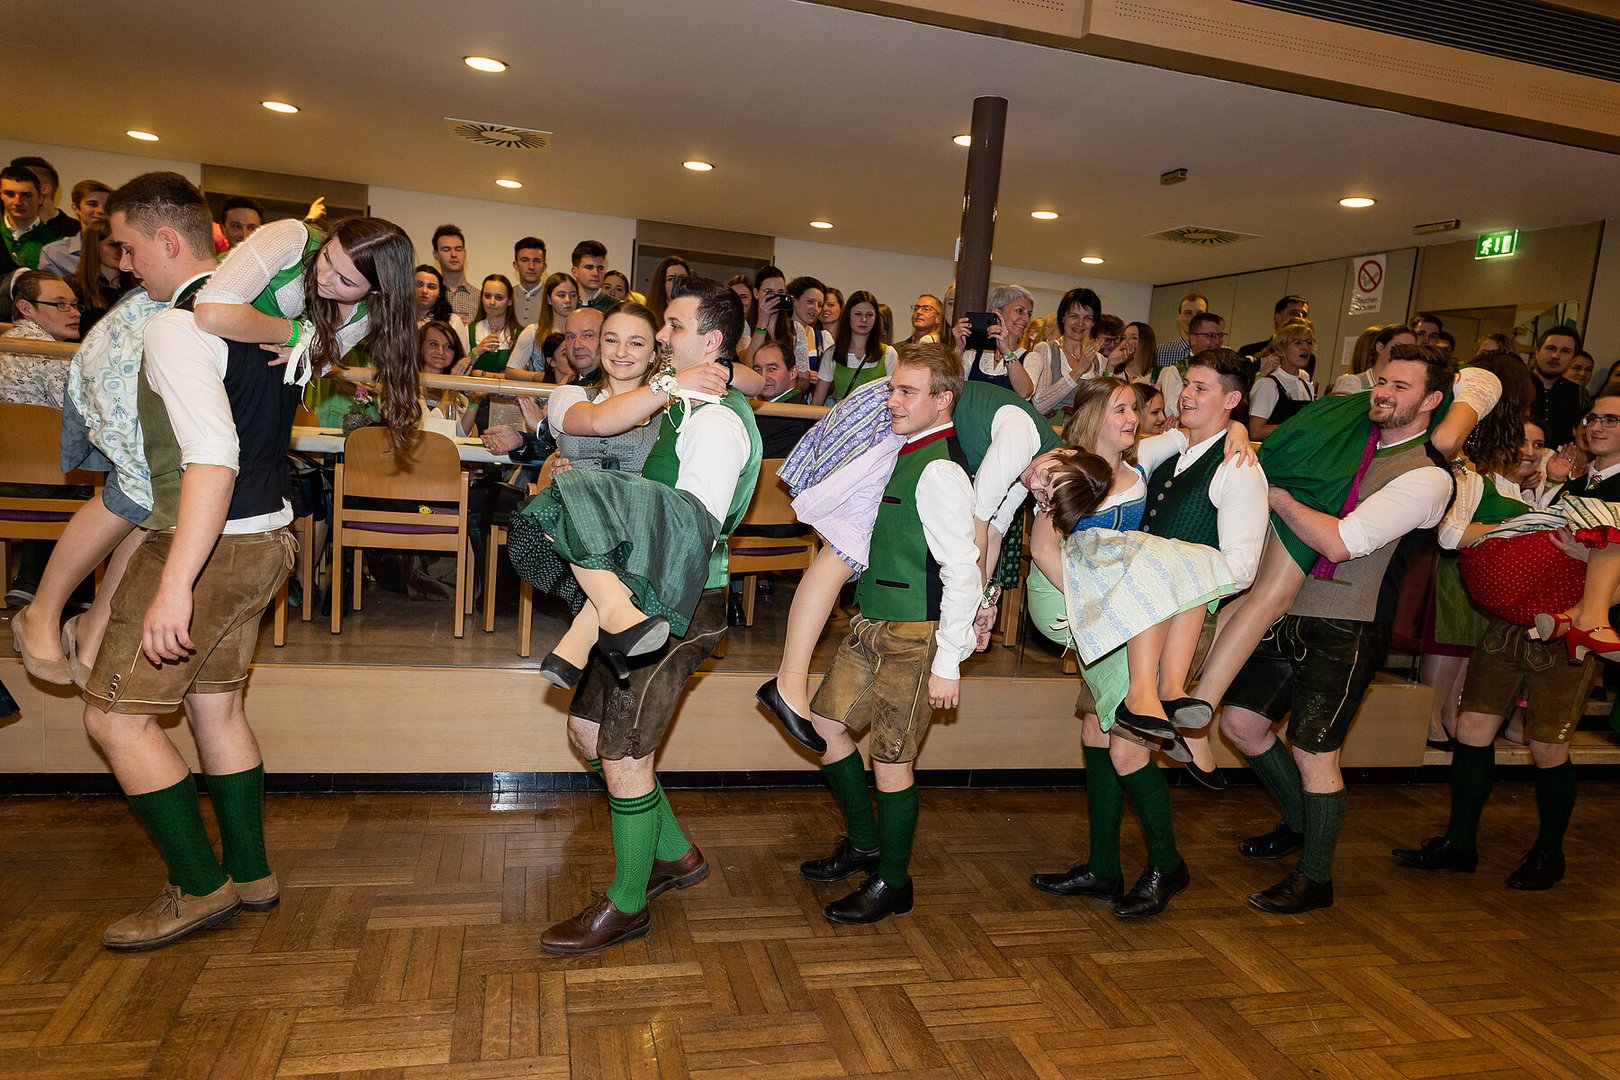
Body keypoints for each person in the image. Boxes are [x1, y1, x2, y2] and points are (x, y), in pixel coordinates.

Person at [74, 171, 305, 951]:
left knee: (114, 719)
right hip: (269, 538)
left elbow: (212, 457)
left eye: (128, 247)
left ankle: (200, 887)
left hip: (206, 546)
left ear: (168, 240)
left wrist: (175, 583)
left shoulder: (176, 327)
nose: (124, 264)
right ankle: (251, 874)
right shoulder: (271, 320)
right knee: (216, 709)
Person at [516, 281, 759, 956]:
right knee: (588, 732)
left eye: (672, 326)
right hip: (639, 593)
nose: (662, 338)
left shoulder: (714, 423)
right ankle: (675, 854)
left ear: (711, 341)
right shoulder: (682, 405)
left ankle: (626, 905)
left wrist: (597, 502)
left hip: (678, 602)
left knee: (623, 752)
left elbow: (690, 531)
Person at [1220, 347, 1456, 914]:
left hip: (1349, 625)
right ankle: (1301, 823)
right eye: (1382, 381)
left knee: (1314, 751)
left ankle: (1315, 878)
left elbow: (1341, 541)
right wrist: (1238, 429)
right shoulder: (1348, 439)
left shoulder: (1427, 476)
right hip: (1284, 608)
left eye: (1402, 387)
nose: (1385, 394)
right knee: (1240, 724)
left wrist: (1277, 495)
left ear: (1432, 400)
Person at [1031, 350, 1266, 918]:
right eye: (1188, 384)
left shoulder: (1230, 467)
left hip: (1163, 615)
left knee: (1126, 749)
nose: (1185, 395)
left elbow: (1240, 569)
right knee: (1096, 735)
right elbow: (1045, 532)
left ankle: (1166, 865)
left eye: (1202, 388)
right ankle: (1103, 868)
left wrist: (1237, 431)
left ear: (1232, 399)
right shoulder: (1158, 454)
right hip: (1110, 613)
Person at [758, 364, 1058, 750]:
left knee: (842, 553)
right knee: (843, 552)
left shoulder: (1031, 467)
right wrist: (973, 610)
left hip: (909, 423)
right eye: (1049, 479)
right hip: (897, 419)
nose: (1038, 486)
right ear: (1068, 453)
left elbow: (995, 533)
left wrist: (984, 600)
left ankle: (789, 682)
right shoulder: (1021, 436)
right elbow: (979, 525)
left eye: (1044, 498)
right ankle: (789, 682)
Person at [1392, 393, 1620, 892]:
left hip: (1569, 633)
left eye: (1612, 419)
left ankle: (1548, 853)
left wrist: (1590, 562)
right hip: (1512, 623)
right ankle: (1460, 843)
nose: (1598, 426)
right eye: (1593, 417)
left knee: (1547, 747)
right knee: (1472, 728)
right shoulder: (1574, 484)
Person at [796, 344, 978, 924]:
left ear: (942, 400)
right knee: (826, 723)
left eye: (906, 392)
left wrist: (948, 662)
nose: (892, 401)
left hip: (914, 635)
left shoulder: (941, 470)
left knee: (892, 760)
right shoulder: (902, 451)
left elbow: (963, 570)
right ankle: (865, 842)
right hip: (871, 623)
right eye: (893, 389)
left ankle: (893, 882)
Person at [488, 304, 668, 589]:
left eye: (635, 343)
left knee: (607, 605)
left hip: (639, 529)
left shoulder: (669, 411)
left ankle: (618, 613)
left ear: (654, 354)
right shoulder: (569, 396)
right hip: (573, 525)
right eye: (611, 340)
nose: (621, 352)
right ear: (601, 347)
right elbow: (597, 422)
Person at [0, 270, 80, 409]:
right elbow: (77, 413)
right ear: (26, 308)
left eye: (74, 305)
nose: (76, 313)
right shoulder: (49, 351)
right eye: (60, 305)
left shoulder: (8, 339)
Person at [1024, 287, 1102, 418]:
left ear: (1093, 322)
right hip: (1053, 428)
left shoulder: (1098, 359)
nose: (1080, 323)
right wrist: (1077, 371)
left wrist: (1111, 367)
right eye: (1074, 316)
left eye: (1087, 318)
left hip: (1086, 429)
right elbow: (1039, 405)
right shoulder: (1046, 349)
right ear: (1063, 317)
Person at [950, 283, 1036, 398]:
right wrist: (959, 348)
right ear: (997, 313)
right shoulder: (973, 354)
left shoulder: (1031, 358)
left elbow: (1025, 392)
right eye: (1019, 310)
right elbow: (949, 386)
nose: (1026, 319)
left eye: (1029, 314)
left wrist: (1007, 352)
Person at [812, 289, 896, 405]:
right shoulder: (832, 354)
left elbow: (896, 396)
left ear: (876, 318)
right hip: (842, 416)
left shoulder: (888, 353)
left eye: (869, 315)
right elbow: (817, 401)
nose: (864, 319)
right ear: (848, 316)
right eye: (858, 314)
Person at [1247, 318, 1316, 440]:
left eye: (1309, 343)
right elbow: (1255, 431)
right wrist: (1295, 427)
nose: (1305, 347)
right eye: (1298, 343)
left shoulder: (1307, 386)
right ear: (1282, 350)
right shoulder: (1268, 385)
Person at [464, 273, 538, 376]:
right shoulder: (469, 330)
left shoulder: (521, 335)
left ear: (510, 301)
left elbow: (521, 377)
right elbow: (460, 371)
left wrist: (482, 374)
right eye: (487, 296)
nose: (492, 302)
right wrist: (477, 351)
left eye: (499, 298)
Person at [65, 220, 132, 334]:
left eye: (124, 245)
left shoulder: (139, 288)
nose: (121, 250)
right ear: (94, 247)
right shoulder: (71, 287)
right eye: (113, 244)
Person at [750, 339, 813, 457]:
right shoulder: (792, 408)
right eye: (758, 370)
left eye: (772, 369)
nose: (763, 377)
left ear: (793, 372)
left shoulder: (793, 418)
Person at [1157, 311, 1226, 417]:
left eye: (1220, 336)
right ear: (1193, 339)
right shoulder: (1176, 371)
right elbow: (1173, 412)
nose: (1217, 342)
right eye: (1211, 336)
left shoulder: (1226, 369)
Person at [39, 180, 113, 275]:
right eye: (92, 204)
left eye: (107, 206)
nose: (101, 210)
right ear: (75, 208)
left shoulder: (124, 250)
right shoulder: (54, 254)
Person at [1528, 327, 1585, 448]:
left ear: (1573, 359)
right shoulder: (1516, 385)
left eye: (1565, 351)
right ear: (1537, 352)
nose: (1556, 355)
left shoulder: (1577, 393)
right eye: (1550, 348)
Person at [1, 163, 65, 269]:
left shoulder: (57, 242)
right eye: (10, 194)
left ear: (40, 198)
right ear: (1, 195)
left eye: (26, 195)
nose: (17, 202)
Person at [1332, 324, 1416, 394]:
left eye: (1410, 349)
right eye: (1398, 347)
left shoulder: (1404, 389)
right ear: (1380, 347)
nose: (1404, 353)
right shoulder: (1353, 383)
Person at [1238, 295, 1309, 358]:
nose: (1300, 318)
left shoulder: (1306, 357)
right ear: (1278, 317)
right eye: (1293, 313)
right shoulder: (1249, 351)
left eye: (1304, 315)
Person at [432, 224, 475, 320]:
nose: (454, 255)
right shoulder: (429, 296)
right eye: (446, 249)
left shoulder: (481, 299)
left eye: (458, 249)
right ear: (435, 254)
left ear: (465, 253)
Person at [1155, 292, 1207, 369]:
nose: (1194, 318)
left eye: (1199, 314)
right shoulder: (1160, 352)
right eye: (1188, 313)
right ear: (1178, 316)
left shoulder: (1215, 353)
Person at [534, 271, 580, 354]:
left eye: (573, 295)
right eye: (561, 295)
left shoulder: (585, 332)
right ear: (549, 299)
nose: (568, 300)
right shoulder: (534, 333)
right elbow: (513, 363)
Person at [510, 236, 548, 327]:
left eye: (537, 261)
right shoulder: (506, 296)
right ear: (515, 265)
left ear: (544, 267)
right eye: (525, 260)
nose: (531, 266)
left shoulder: (552, 297)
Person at [645, 254, 690, 324]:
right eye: (671, 279)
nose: (677, 283)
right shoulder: (648, 319)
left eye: (683, 278)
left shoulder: (697, 316)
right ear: (661, 283)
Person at [1111, 321, 1158, 385]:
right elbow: (1104, 390)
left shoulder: (1161, 375)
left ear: (1146, 344)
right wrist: (1110, 365)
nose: (1126, 342)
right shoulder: (1115, 375)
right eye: (1124, 338)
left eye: (1134, 338)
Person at [571, 240, 613, 312]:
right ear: (575, 272)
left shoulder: (616, 307)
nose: (596, 274)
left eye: (600, 268)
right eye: (589, 268)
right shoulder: (563, 305)